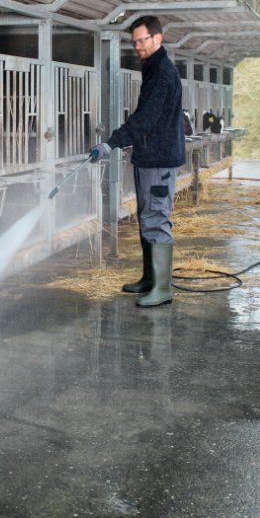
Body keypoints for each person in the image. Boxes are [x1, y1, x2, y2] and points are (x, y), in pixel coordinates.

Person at [90, 16, 185, 307]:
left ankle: (163, 288)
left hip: (159, 159)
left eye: (143, 40)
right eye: (135, 42)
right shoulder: (154, 69)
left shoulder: (162, 74)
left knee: (156, 218)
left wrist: (111, 143)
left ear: (158, 38)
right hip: (150, 157)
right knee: (147, 216)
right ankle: (150, 279)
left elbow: (145, 120)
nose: (139, 46)